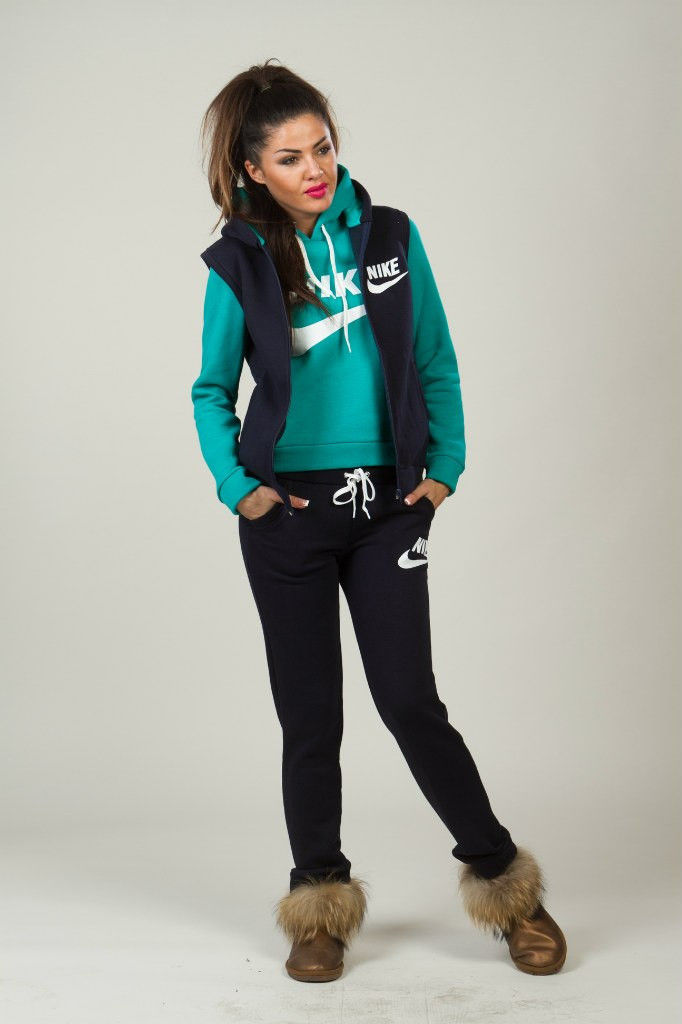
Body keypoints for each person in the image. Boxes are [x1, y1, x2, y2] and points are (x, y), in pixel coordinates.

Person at [190, 59, 566, 982]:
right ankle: (318, 901)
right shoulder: (239, 260)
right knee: (309, 715)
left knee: (409, 701)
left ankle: (507, 886)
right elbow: (210, 389)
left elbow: (435, 356)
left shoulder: (390, 235)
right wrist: (240, 486)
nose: (315, 168)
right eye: (290, 157)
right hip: (287, 515)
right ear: (253, 170)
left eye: (322, 147)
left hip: (387, 506)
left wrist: (444, 471)